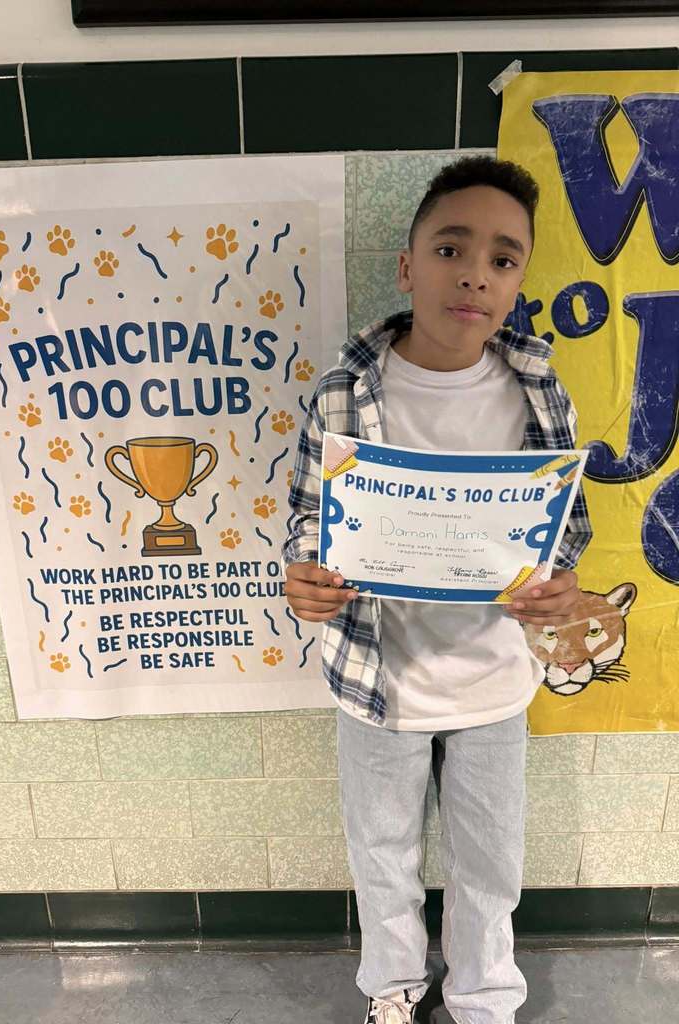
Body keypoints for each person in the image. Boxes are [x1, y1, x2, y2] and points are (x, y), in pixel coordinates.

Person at [281, 156, 592, 1024]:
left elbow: (565, 529)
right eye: (452, 248)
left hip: (491, 675)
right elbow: (307, 524)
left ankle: (485, 996)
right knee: (381, 850)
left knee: (490, 853)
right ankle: (393, 986)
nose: (476, 275)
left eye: (503, 259)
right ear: (408, 265)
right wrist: (303, 582)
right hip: (377, 677)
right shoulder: (344, 393)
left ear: (519, 280)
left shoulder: (537, 389)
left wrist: (559, 586)